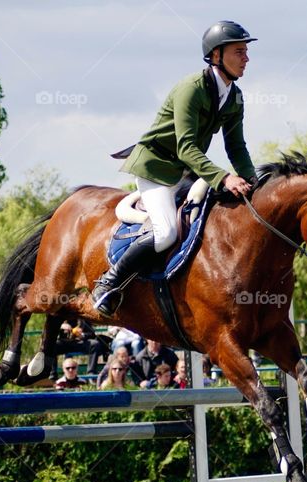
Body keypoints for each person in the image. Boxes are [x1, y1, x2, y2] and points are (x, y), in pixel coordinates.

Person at [93, 21, 258, 315]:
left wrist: (252, 181)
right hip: (156, 167)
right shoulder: (191, 89)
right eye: (240, 51)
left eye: (246, 51)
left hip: (187, 170)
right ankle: (110, 281)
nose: (247, 58)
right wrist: (224, 177)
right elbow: (186, 147)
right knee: (167, 232)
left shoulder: (235, 97)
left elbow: (236, 147)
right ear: (217, 55)